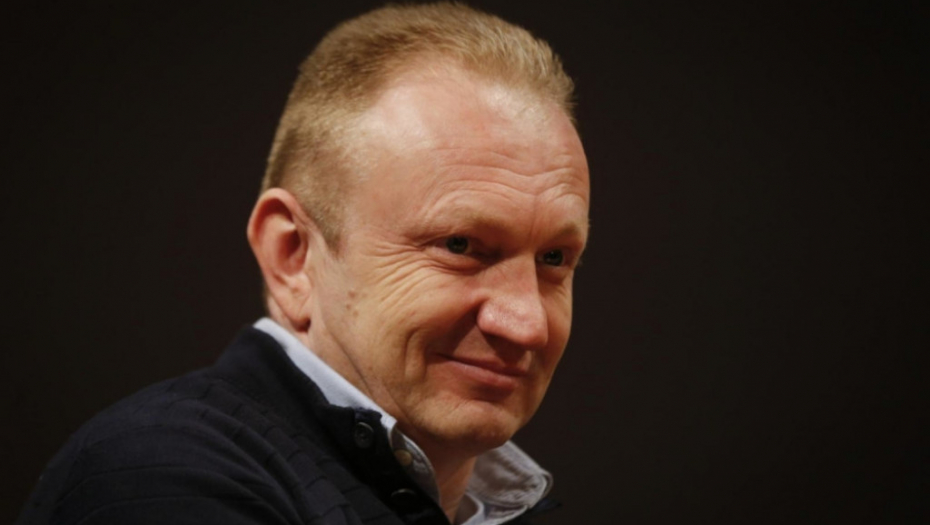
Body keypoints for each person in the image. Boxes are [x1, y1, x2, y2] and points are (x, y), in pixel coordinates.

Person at [17, 3, 589, 524]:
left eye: (554, 259)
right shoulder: (158, 478)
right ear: (291, 255)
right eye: (460, 245)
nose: (528, 324)